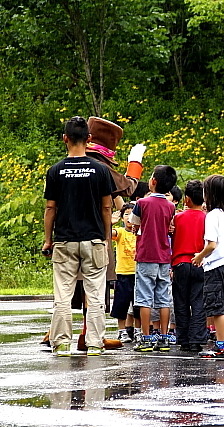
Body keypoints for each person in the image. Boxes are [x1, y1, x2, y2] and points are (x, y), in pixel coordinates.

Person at [42, 116, 116, 357]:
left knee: (62, 295)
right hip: (93, 238)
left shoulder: (55, 171)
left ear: (65, 139)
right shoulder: (100, 171)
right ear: (89, 139)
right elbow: (107, 207)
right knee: (95, 295)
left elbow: (50, 208)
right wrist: (105, 238)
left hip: (64, 240)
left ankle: (62, 343)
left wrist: (47, 239)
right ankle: (94, 343)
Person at [130, 165, 177, 352]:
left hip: (146, 255)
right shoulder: (171, 206)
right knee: (163, 297)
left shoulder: (142, 203)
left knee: (143, 297)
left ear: (153, 182)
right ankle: (164, 338)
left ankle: (146, 338)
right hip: (164, 256)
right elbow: (170, 226)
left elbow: (133, 224)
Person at [193, 175, 224, 358]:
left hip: (215, 266)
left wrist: (199, 257)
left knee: (217, 308)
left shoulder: (212, 216)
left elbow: (211, 244)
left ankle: (220, 345)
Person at [171, 180, 208, 352]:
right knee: (199, 302)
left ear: (187, 199)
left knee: (181, 302)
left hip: (180, 263)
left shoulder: (177, 218)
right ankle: (197, 338)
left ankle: (183, 338)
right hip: (201, 262)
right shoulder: (207, 218)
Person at [110, 203, 138, 343]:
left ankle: (138, 331)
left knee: (139, 306)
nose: (129, 217)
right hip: (122, 274)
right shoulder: (120, 232)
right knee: (121, 304)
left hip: (139, 274)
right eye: (126, 214)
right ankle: (122, 331)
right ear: (121, 218)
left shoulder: (141, 232)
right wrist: (109, 224)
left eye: (132, 214)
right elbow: (109, 234)